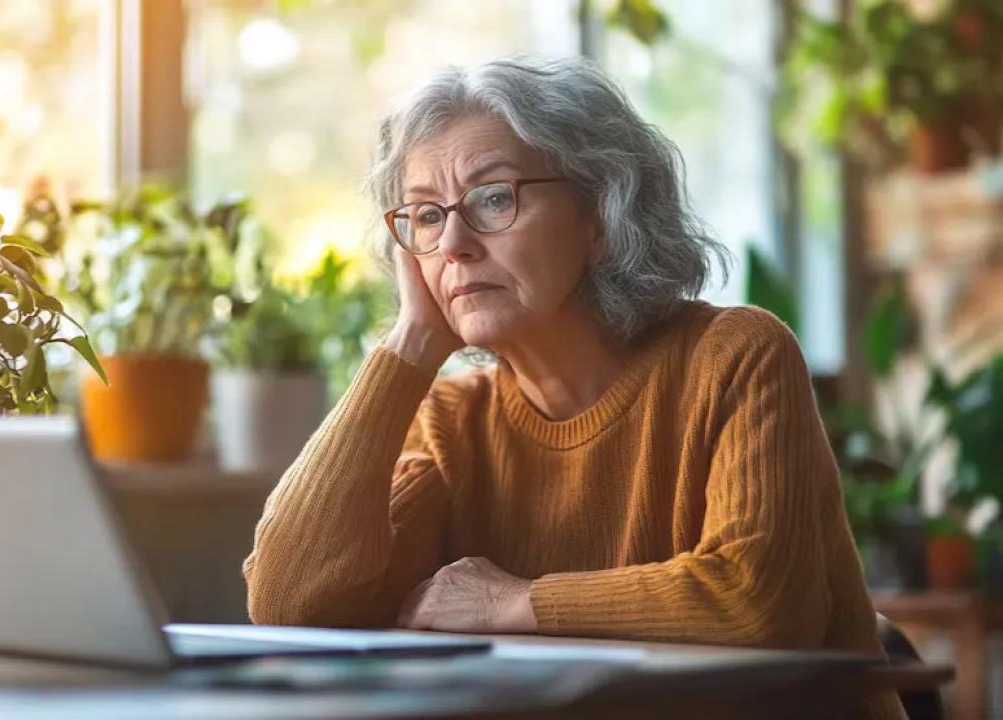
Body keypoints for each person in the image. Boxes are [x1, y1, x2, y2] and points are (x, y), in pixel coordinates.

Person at [243, 56, 903, 719]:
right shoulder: (451, 419)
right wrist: (411, 344)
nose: (455, 244)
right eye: (425, 216)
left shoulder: (735, 356)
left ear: (599, 214)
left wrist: (515, 602)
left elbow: (759, 602)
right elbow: (287, 602)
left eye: (494, 198)